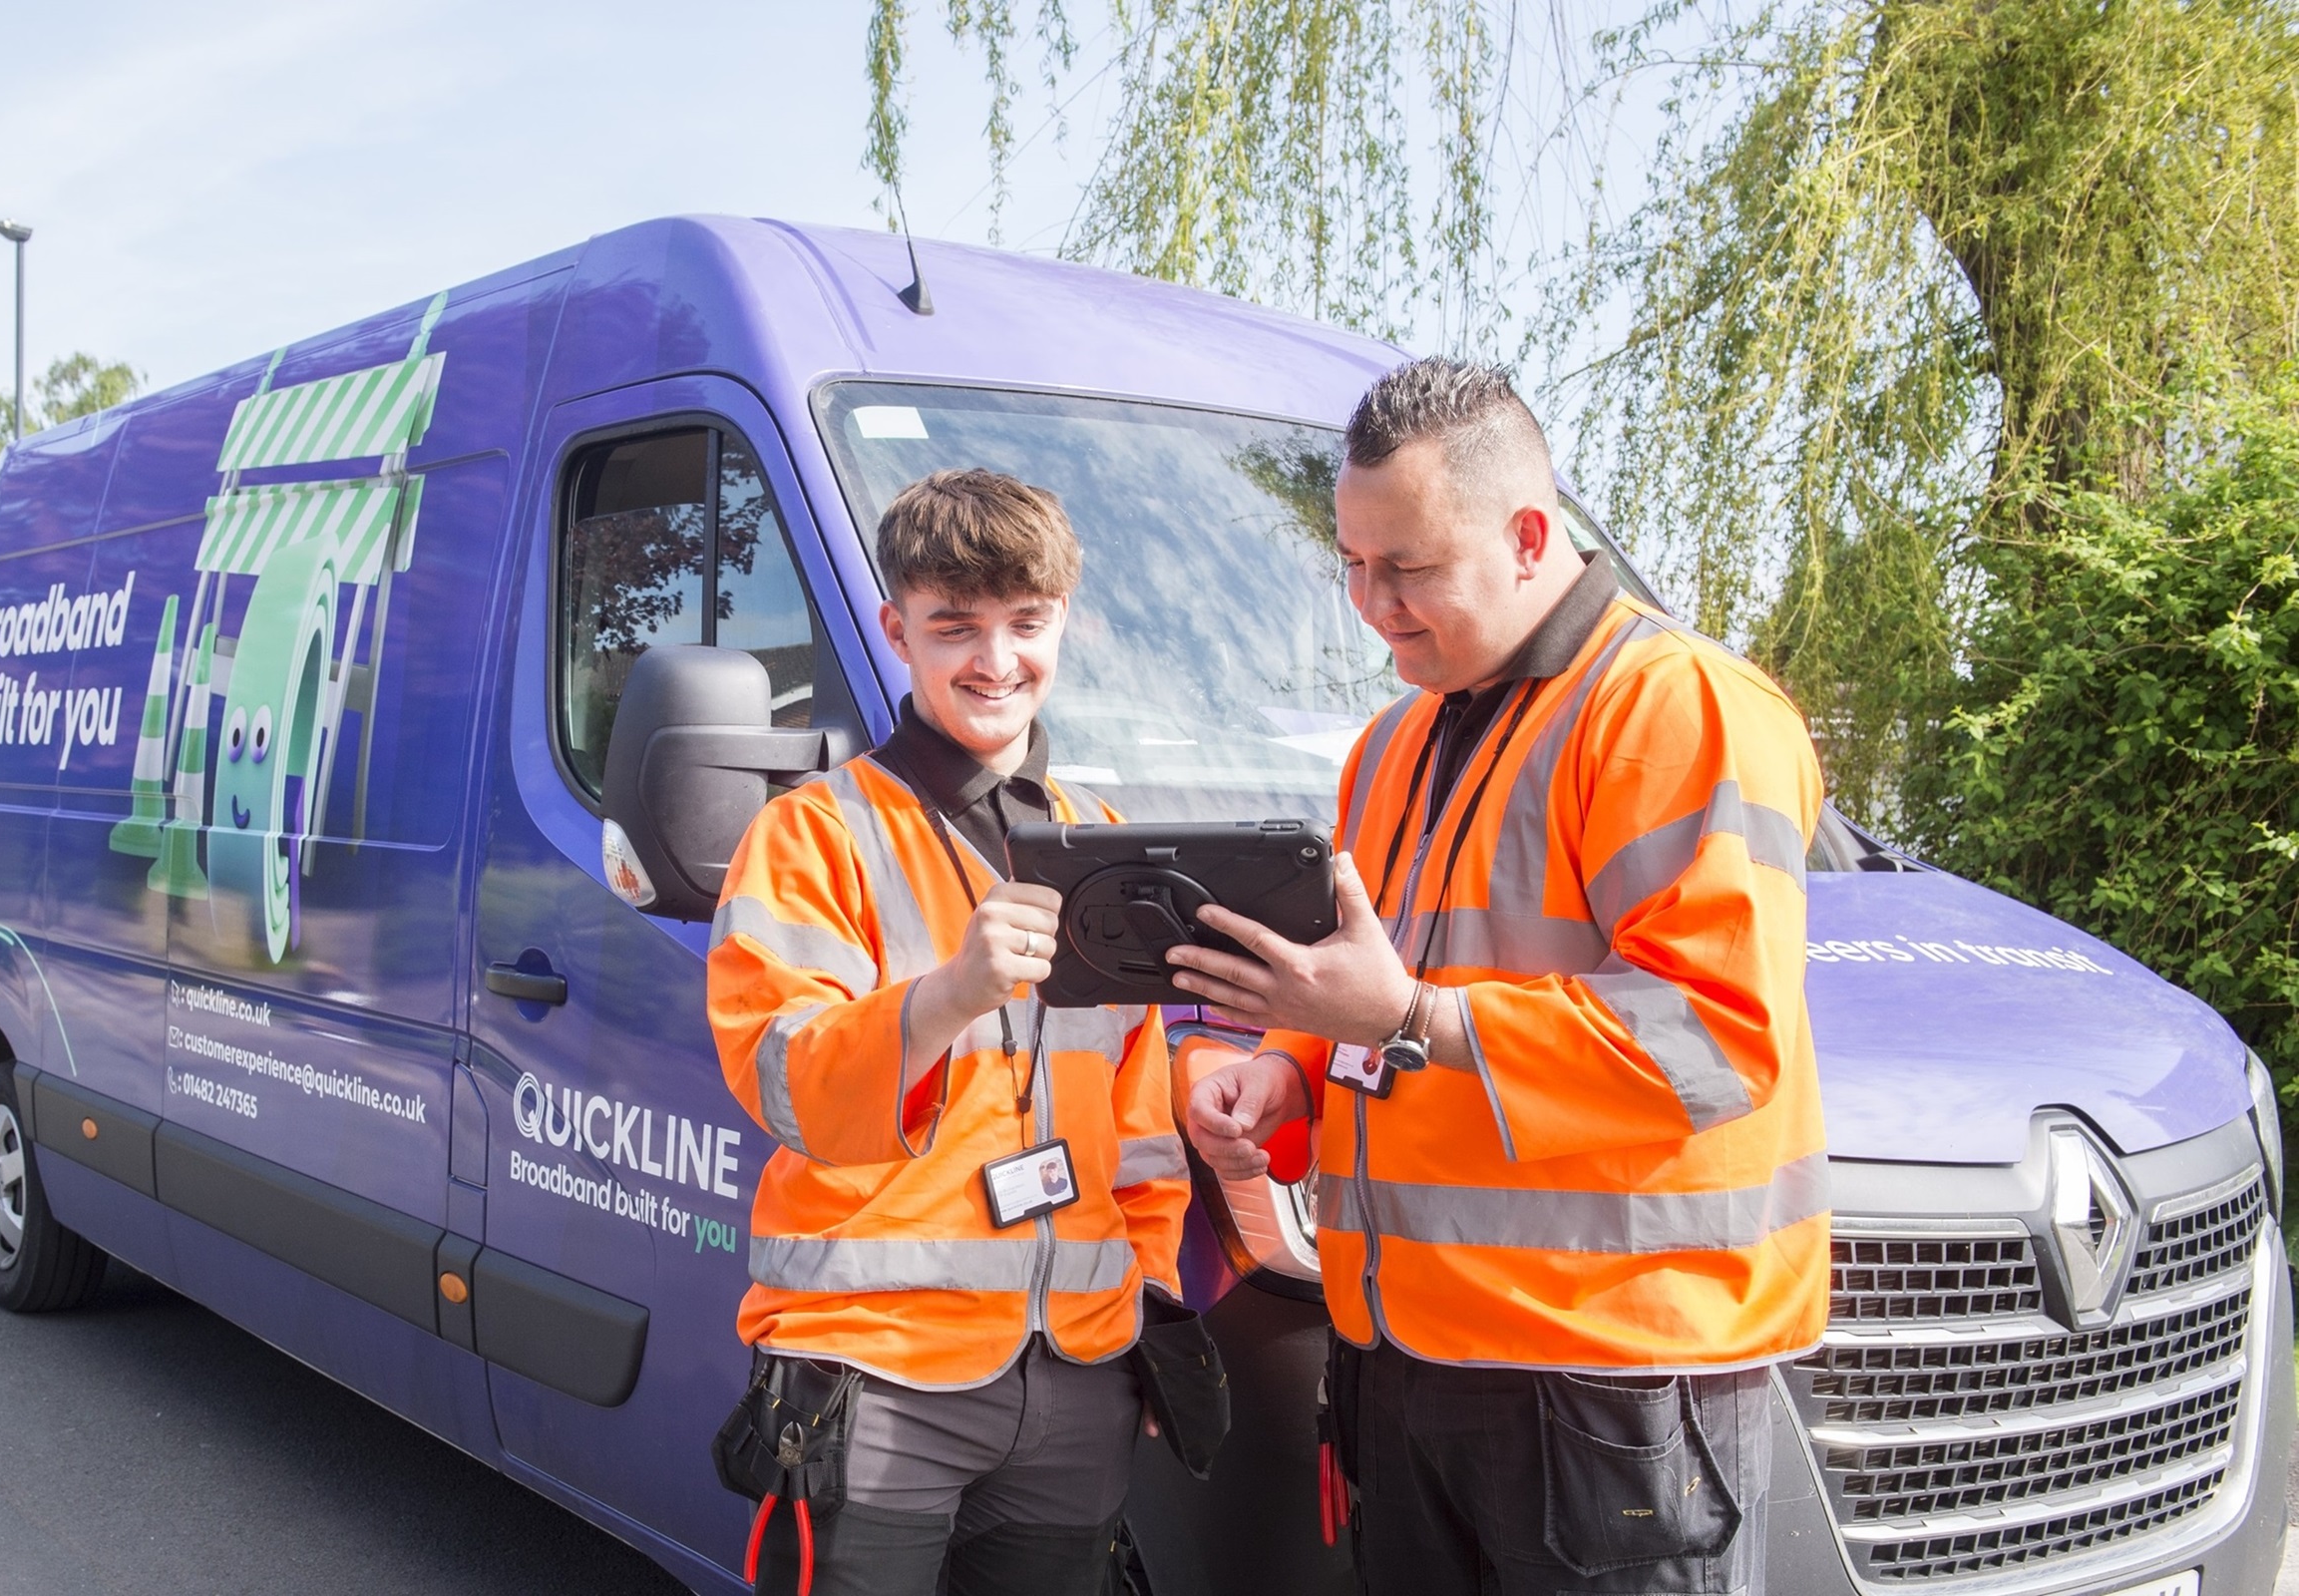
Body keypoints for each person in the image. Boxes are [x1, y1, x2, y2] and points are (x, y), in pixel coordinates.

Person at [1174, 359, 1828, 1595]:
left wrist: (1408, 1018)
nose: (1370, 604)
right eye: (1351, 565)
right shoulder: (1390, 745)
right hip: (1406, 1363)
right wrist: (1284, 1075)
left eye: (1406, 568)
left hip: (1609, 1384)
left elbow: (1710, 1036)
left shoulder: (1675, 708)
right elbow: (1374, 987)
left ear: (1530, 537)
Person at [707, 469, 1188, 1596]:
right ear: (895, 628)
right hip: (872, 1372)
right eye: (953, 625)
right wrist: (948, 992)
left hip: (1075, 1374)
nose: (995, 658)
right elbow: (786, 1083)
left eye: (1025, 623)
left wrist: (1144, 1307)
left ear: (1063, 619)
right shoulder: (809, 835)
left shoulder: (1105, 841)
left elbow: (1144, 1130)